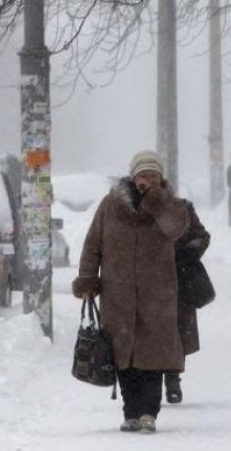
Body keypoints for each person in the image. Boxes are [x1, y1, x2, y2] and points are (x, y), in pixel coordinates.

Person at [72, 150, 189, 433]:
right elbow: (93, 244)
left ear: (161, 178)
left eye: (153, 175)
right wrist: (87, 278)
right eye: (142, 175)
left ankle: (149, 412)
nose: (147, 180)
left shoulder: (171, 206)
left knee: (153, 355)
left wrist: (156, 201)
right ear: (133, 177)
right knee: (123, 356)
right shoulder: (110, 205)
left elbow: (175, 229)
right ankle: (131, 413)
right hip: (118, 293)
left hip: (157, 294)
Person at [164, 201, 211, 404]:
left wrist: (186, 254)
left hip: (179, 280)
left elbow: (202, 236)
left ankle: (173, 378)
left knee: (177, 330)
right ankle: (150, 382)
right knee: (149, 330)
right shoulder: (134, 209)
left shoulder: (180, 208)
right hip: (146, 280)